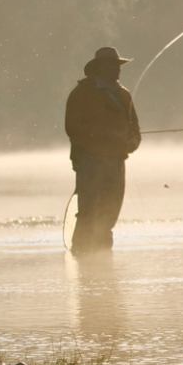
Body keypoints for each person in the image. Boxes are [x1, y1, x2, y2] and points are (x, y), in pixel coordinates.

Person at [65, 46, 142, 252]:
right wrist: (104, 140)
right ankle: (80, 253)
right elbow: (73, 128)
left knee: (110, 211)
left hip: (116, 161)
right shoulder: (82, 93)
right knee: (89, 210)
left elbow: (134, 129)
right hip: (90, 162)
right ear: (100, 67)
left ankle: (102, 256)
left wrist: (130, 143)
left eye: (118, 66)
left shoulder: (123, 95)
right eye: (113, 66)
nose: (117, 70)